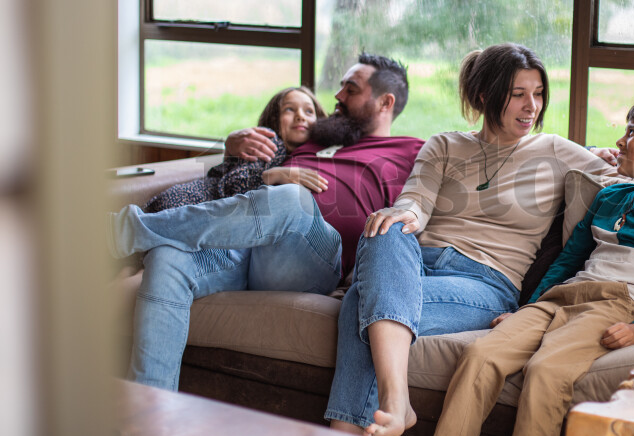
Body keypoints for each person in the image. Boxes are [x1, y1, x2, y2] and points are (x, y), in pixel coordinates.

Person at [323, 45, 634, 436]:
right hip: (414, 265)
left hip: (484, 285)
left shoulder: (555, 150)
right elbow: (415, 202)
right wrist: (403, 213)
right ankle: (387, 413)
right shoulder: (444, 145)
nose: (532, 106)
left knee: (361, 301)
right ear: (483, 97)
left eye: (539, 94)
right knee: (385, 226)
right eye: (518, 94)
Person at [421, 99, 634, 436]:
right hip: (563, 297)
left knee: (545, 373)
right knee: (480, 356)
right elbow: (567, 262)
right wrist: (531, 306)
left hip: (615, 304)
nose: (621, 141)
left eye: (632, 133)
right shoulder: (609, 196)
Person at [107, 53, 424, 391]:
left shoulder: (411, 152)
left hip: (311, 257)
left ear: (385, 102)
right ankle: (150, 409)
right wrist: (240, 150)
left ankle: (126, 231)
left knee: (293, 198)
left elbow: (439, 198)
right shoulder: (322, 136)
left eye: (351, 88)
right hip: (246, 247)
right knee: (166, 258)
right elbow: (244, 163)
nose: (337, 96)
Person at [143, 86, 327, 212]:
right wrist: (276, 174)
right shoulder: (269, 143)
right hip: (188, 202)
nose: (301, 116)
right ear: (273, 117)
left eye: (309, 111)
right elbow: (234, 184)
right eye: (289, 109)